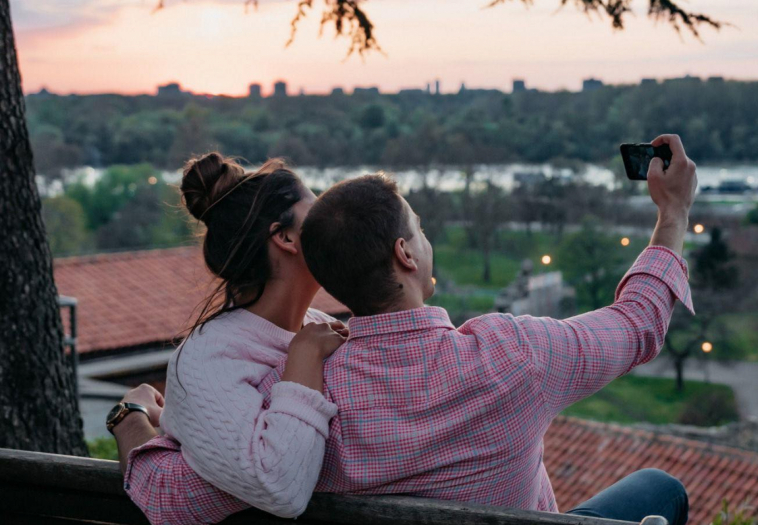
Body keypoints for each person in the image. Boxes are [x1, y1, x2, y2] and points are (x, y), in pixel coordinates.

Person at [113, 135, 697, 525]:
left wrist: (141, 424)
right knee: (660, 489)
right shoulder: (517, 356)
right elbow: (637, 324)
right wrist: (671, 213)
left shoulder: (299, 398)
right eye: (418, 229)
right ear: (405, 255)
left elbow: (180, 493)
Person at [109, 152, 348, 520]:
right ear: (284, 236)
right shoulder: (208, 359)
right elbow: (280, 486)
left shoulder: (319, 326)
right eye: (316, 210)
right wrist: (130, 419)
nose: (333, 222)